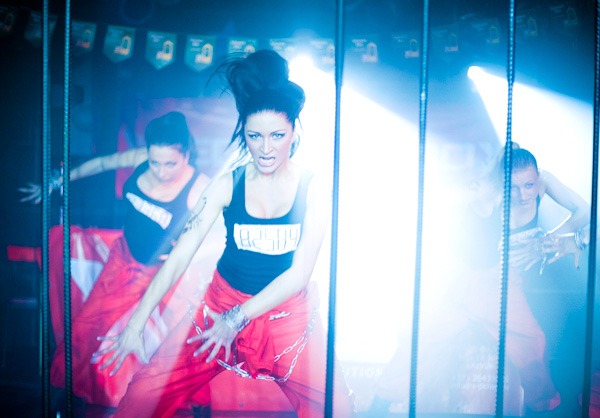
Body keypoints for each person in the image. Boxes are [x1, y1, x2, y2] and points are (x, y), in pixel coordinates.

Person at [94, 50, 355, 418]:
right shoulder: (226, 186)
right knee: (143, 397)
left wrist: (238, 318)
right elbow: (179, 257)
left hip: (286, 319)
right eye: (255, 136)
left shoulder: (313, 189)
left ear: (294, 133)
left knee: (338, 409)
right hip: (219, 308)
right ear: (244, 132)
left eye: (277, 135)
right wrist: (136, 323)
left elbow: (299, 274)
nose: (266, 148)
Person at [368, 143, 590, 415]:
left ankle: (543, 409)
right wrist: (484, 183)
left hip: (500, 284)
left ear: (537, 178)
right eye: (514, 187)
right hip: (461, 279)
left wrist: (558, 237)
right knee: (422, 340)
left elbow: (585, 211)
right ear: (503, 183)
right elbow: (438, 202)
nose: (523, 195)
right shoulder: (489, 194)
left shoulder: (544, 181)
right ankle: (378, 405)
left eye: (529, 185)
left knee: (532, 343)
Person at [20, 111, 215, 408]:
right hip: (123, 258)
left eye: (170, 164)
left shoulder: (201, 188)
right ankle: (63, 390)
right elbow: (101, 163)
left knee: (167, 342)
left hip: (161, 272)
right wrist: (57, 180)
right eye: (155, 162)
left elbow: (217, 239)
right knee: (88, 324)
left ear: (186, 155)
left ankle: (169, 404)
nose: (161, 171)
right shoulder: (141, 158)